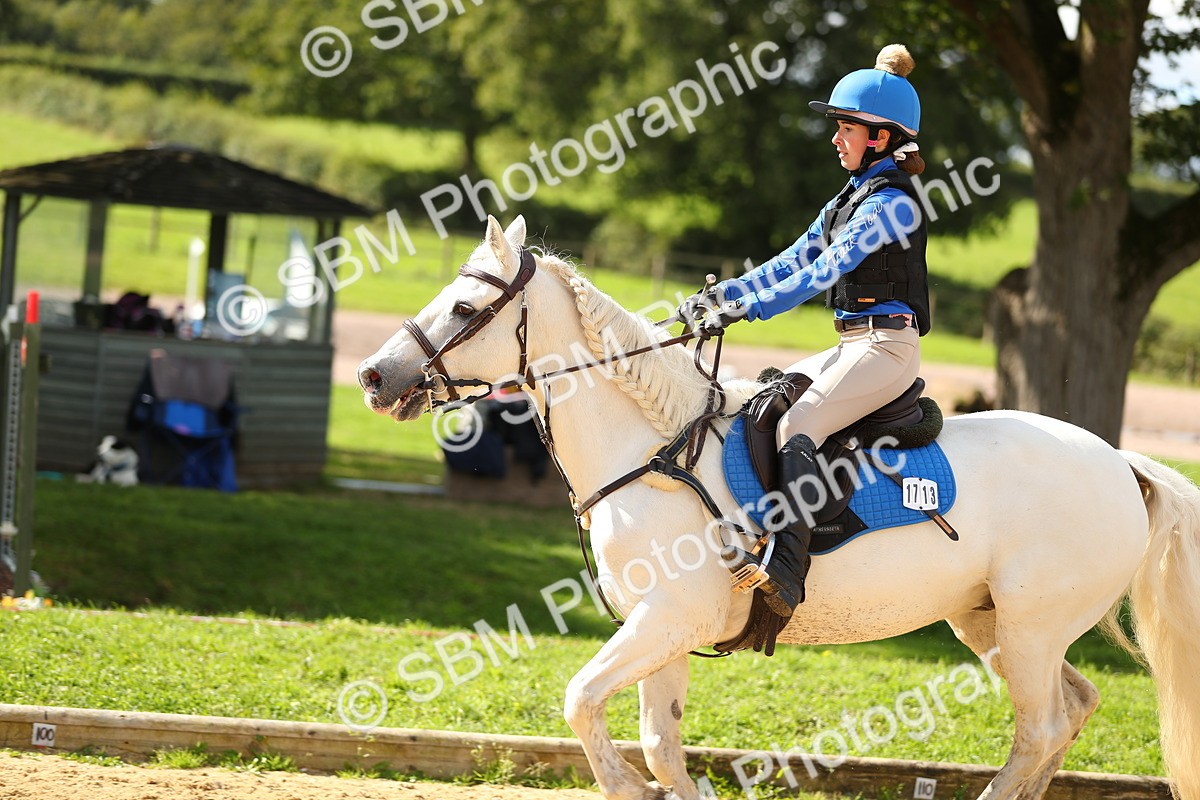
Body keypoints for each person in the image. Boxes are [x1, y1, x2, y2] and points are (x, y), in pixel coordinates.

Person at [678, 44, 931, 618]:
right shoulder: (848, 199)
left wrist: (748, 312)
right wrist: (724, 295)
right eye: (838, 128)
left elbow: (823, 272)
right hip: (852, 344)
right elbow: (791, 260)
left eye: (847, 128)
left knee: (798, 423)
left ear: (881, 138)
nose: (835, 138)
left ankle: (788, 571)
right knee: (764, 403)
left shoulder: (891, 204)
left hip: (887, 348)